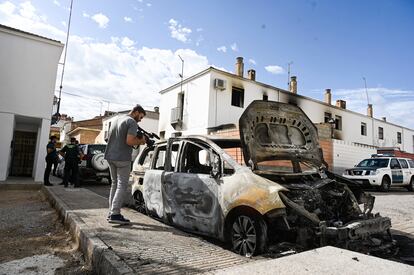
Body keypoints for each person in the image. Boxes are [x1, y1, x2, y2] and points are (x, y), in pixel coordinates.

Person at [105, 104, 147, 224]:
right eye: (141, 116)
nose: (140, 119)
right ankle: (115, 214)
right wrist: (142, 141)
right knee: (121, 186)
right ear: (136, 112)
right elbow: (129, 141)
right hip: (122, 158)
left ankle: (111, 212)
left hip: (110, 156)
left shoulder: (117, 119)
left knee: (114, 184)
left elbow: (110, 138)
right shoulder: (132, 122)